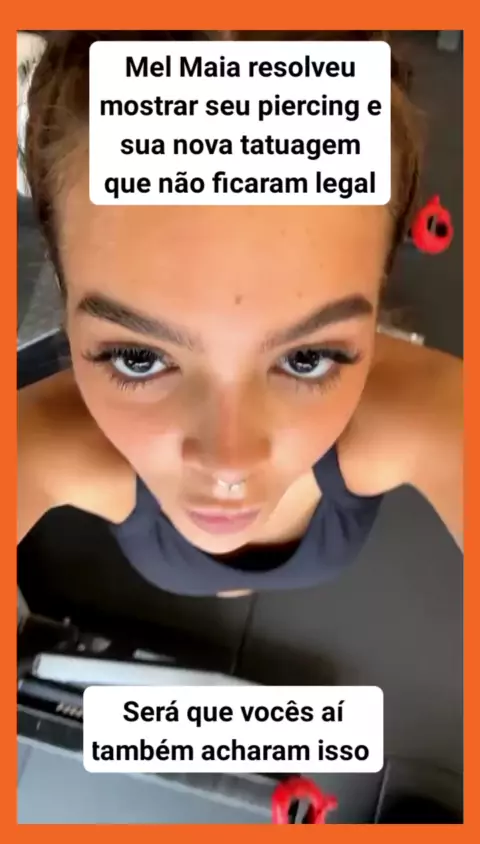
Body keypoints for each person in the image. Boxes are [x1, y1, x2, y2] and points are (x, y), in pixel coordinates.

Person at [18, 31, 463, 598]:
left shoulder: (426, 411)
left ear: (379, 283)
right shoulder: (39, 443)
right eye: (138, 358)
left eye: (307, 358)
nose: (228, 464)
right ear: (63, 288)